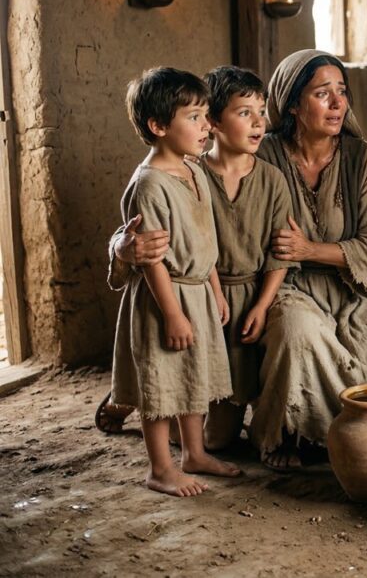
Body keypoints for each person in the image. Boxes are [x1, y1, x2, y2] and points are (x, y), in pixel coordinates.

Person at [110, 50, 367, 471]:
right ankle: (285, 433)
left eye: (342, 92)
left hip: (349, 288)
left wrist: (309, 249)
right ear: (292, 102)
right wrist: (122, 247)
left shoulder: (363, 160)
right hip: (275, 288)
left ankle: (343, 437)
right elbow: (163, 195)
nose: (337, 103)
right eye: (322, 94)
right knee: (292, 336)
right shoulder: (254, 153)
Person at [111, 66, 240, 497]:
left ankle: (195, 453)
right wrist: (172, 314)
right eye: (194, 117)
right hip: (163, 298)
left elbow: (208, 239)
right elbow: (152, 261)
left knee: (192, 376)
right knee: (161, 384)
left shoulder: (194, 169)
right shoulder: (148, 185)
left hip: (198, 291)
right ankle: (160, 468)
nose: (206, 125)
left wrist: (216, 291)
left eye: (206, 115)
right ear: (158, 126)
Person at [197, 66, 298, 448]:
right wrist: (214, 292)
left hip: (246, 300)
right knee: (188, 412)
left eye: (261, 111)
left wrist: (261, 305)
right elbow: (190, 245)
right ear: (213, 121)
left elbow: (280, 253)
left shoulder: (272, 179)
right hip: (202, 297)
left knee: (218, 440)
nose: (259, 123)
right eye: (244, 113)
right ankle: (145, 403)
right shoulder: (191, 174)